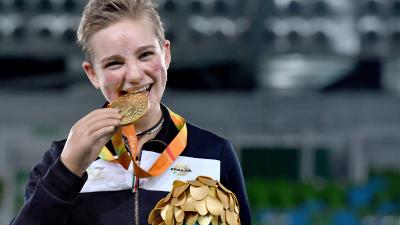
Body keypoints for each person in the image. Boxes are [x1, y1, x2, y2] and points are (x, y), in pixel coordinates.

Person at [10, 0, 252, 224]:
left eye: (145, 54)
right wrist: (67, 172)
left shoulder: (214, 154)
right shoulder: (60, 161)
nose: (135, 76)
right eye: (114, 63)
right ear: (93, 74)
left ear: (166, 54)